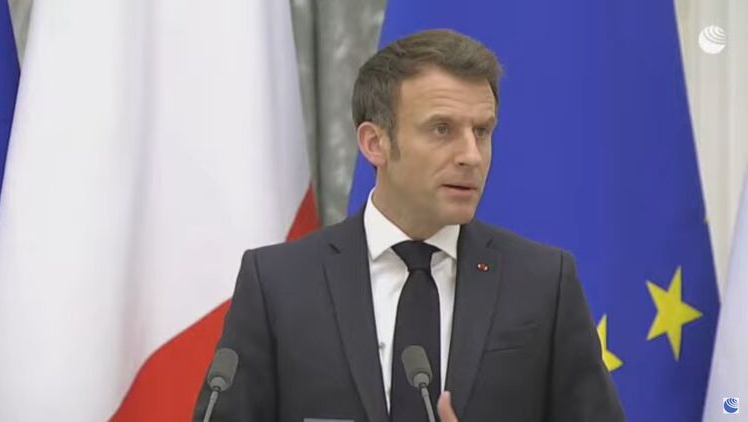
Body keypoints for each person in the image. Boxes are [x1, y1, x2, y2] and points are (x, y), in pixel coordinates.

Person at [193, 29, 624, 422]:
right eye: (442, 129)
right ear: (375, 143)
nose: (471, 156)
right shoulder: (279, 283)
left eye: (482, 131)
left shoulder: (543, 282)